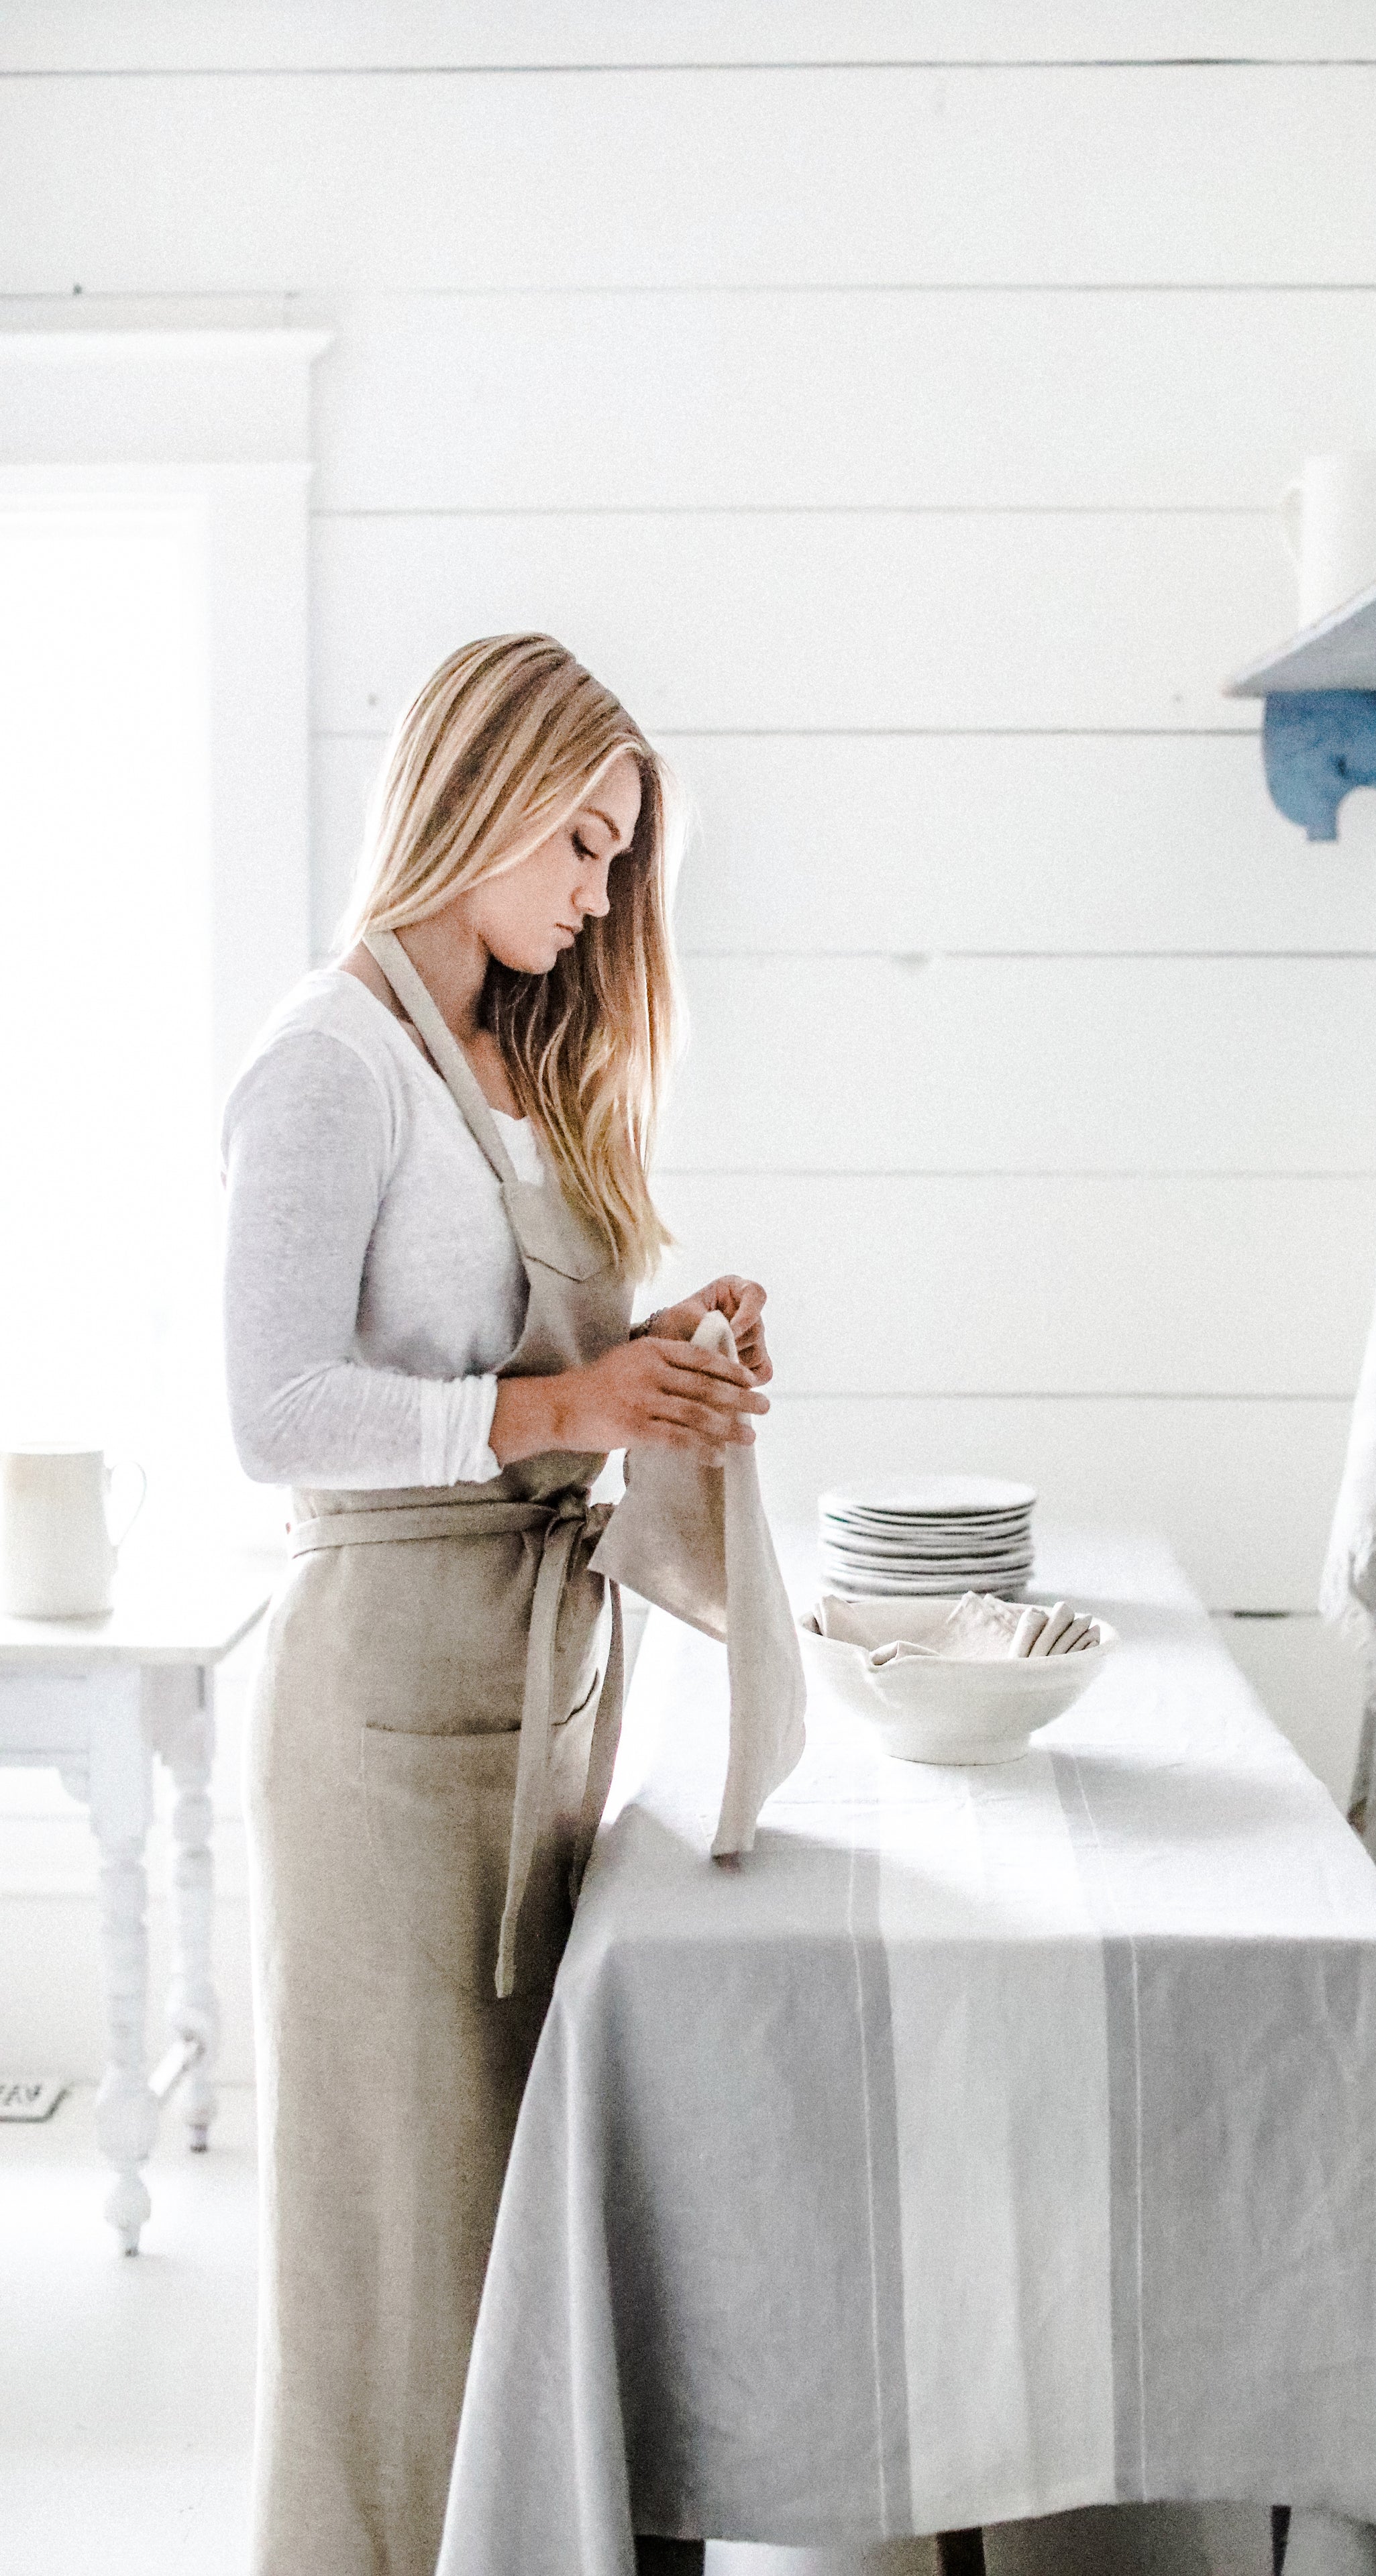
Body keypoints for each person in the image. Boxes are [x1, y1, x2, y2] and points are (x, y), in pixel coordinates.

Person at [223, 633, 764, 2576]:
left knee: (522, 2214)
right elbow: (275, 1415)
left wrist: (668, 1355)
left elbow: (532, 1381)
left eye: (624, 860)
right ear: (483, 790)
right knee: (397, 2240)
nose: (604, 892)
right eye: (589, 842)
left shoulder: (496, 1067)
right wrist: (571, 1403)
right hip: (382, 1713)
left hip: (527, 1697)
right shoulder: (326, 1060)